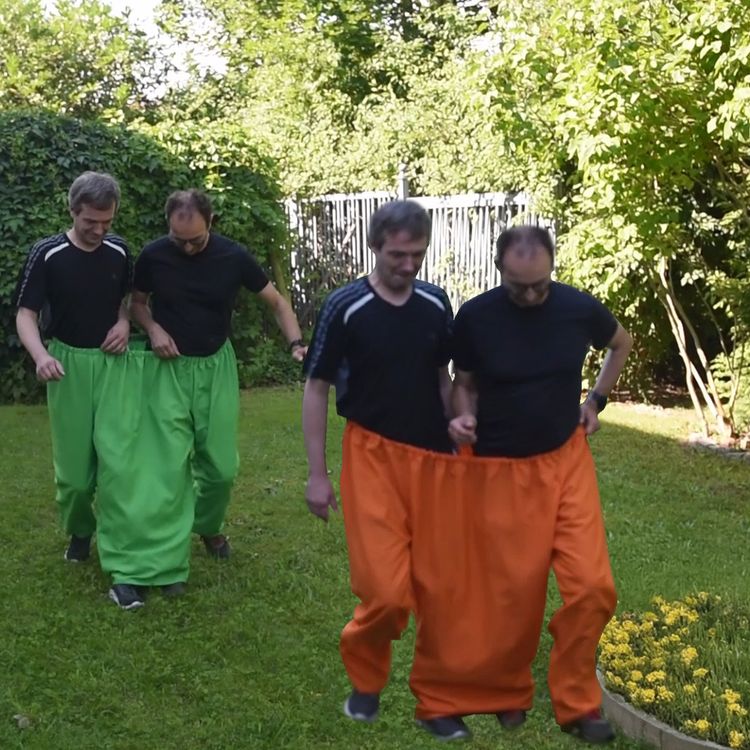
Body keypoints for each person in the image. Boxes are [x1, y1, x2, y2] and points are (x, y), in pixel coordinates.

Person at [443, 225, 633, 743]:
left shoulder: (576, 307)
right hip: (502, 469)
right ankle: (506, 689)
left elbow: (621, 343)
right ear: (499, 267)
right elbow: (465, 383)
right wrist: (460, 418)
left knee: (593, 587)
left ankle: (576, 702)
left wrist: (595, 401)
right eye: (518, 285)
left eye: (540, 285)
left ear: (552, 269)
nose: (529, 294)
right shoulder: (477, 317)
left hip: (566, 461)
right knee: (514, 592)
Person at [302, 200, 477, 741]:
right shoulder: (345, 306)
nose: (408, 265)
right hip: (372, 457)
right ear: (375, 247)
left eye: (417, 255)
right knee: (384, 592)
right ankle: (366, 679)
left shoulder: (434, 302)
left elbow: (445, 377)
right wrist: (317, 472)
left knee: (441, 591)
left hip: (434, 463)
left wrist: (460, 418)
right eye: (398, 254)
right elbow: (315, 386)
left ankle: (440, 701)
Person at [129, 189, 306, 569]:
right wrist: (153, 330)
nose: (188, 248)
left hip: (215, 365)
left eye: (196, 240)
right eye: (179, 240)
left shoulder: (233, 256)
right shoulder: (154, 255)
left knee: (221, 467)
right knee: (168, 463)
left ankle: (207, 525)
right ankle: (166, 541)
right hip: (167, 369)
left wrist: (295, 343)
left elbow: (276, 303)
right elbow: (137, 304)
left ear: (210, 223)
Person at [14, 171, 131, 564]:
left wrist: (124, 322)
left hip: (115, 366)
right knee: (76, 476)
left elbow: (127, 300)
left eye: (106, 222)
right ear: (73, 211)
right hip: (67, 365)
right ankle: (81, 531)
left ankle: (119, 541)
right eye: (90, 222)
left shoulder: (119, 250)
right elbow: (25, 314)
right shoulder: (47, 253)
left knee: (118, 462)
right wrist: (42, 356)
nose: (99, 230)